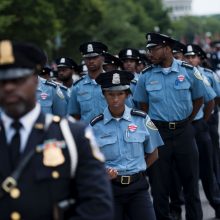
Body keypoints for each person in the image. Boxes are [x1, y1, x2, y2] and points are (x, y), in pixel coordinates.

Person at [0, 40, 113, 220]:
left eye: (17, 79)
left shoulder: (73, 136)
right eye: (2, 81)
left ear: (35, 80)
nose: (9, 87)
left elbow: (96, 206)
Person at [134, 32, 205, 220]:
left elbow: (199, 99)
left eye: (153, 49)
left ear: (166, 48)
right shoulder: (146, 76)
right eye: (148, 50)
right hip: (159, 134)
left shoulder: (188, 71)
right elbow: (142, 105)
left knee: (190, 185)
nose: (150, 54)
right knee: (159, 187)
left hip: (183, 132)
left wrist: (186, 121)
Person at [90, 70, 164, 220]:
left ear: (127, 95)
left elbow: (154, 153)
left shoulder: (141, 119)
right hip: (109, 189)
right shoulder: (94, 126)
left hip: (137, 189)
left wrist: (137, 169)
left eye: (120, 94)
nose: (115, 99)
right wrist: (103, 172)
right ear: (104, 95)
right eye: (111, 94)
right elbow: (90, 160)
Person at [67, 41, 108, 124]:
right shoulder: (77, 87)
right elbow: (75, 115)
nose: (91, 61)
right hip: (87, 133)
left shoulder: (112, 82)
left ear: (103, 58)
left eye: (95, 57)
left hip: (110, 133)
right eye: (87, 58)